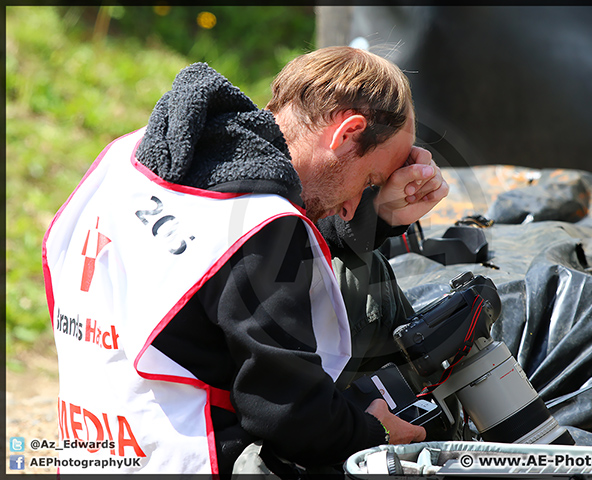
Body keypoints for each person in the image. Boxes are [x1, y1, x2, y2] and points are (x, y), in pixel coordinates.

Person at [42, 46, 449, 476]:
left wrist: (376, 215)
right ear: (348, 133)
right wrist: (376, 434)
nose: (351, 208)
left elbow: (215, 268)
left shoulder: (137, 156)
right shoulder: (262, 228)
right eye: (368, 181)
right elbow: (290, 414)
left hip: (89, 449)